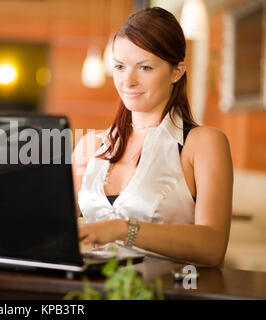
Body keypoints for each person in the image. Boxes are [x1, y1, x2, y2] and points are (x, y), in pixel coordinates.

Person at [72, 7, 233, 267]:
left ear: (177, 72)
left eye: (145, 67)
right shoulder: (90, 146)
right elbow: (54, 226)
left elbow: (212, 247)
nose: (128, 81)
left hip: (165, 291)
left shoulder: (203, 143)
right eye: (120, 66)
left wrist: (123, 229)